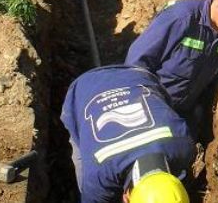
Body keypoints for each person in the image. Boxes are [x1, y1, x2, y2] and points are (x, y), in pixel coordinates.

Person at [61, 65, 195, 203]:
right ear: (126, 197)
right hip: (83, 89)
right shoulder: (96, 179)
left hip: (137, 76)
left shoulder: (184, 146)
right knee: (83, 164)